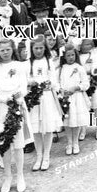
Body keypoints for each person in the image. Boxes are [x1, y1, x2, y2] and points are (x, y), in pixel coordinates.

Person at [0, 39, 29, 192]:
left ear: (13, 50)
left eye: (8, 49)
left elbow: (23, 87)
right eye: (2, 50)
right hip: (0, 107)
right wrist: (5, 98)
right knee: (4, 144)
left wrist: (17, 97)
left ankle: (20, 176)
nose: (5, 52)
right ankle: (7, 176)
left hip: (16, 106)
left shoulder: (19, 66)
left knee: (18, 144)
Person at [25, 35, 63, 171]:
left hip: (46, 97)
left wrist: (49, 84)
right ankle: (39, 156)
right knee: (36, 129)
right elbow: (25, 79)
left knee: (47, 127)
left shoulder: (49, 62)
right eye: (36, 48)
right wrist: (31, 83)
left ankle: (46, 155)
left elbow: (54, 79)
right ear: (32, 49)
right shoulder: (28, 63)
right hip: (34, 99)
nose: (39, 51)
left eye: (41, 48)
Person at [59, 43, 91, 155]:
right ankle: (69, 142)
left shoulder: (79, 68)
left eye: (72, 55)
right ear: (64, 57)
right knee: (68, 122)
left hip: (77, 97)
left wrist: (77, 88)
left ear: (75, 55)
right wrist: (62, 91)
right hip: (65, 98)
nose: (70, 57)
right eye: (68, 55)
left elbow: (86, 84)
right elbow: (59, 82)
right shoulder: (62, 69)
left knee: (76, 121)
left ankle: (76, 142)